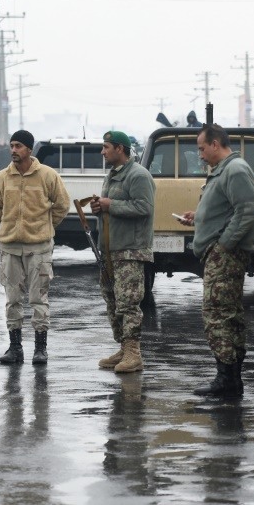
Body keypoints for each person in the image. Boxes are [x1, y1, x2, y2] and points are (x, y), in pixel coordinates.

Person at [178, 124, 254, 399]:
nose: (200, 154)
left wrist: (224, 245)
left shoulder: (234, 170)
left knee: (218, 315)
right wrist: (198, 216)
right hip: (220, 252)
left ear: (215, 144)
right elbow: (225, 209)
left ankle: (227, 379)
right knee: (226, 314)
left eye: (201, 148)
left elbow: (247, 211)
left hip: (225, 255)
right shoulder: (223, 171)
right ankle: (230, 378)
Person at [0, 130, 70, 365]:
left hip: (39, 249)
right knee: (12, 298)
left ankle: (40, 349)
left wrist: (44, 226)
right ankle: (15, 348)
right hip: (10, 248)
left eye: (18, 146)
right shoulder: (2, 178)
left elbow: (62, 204)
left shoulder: (47, 176)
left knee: (38, 298)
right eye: (11, 146)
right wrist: (11, 226)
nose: (13, 150)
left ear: (29, 150)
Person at [92, 130, 155, 374]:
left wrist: (111, 205)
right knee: (112, 300)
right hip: (109, 250)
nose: (102, 151)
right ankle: (122, 346)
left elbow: (144, 207)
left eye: (106, 147)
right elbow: (111, 208)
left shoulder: (138, 175)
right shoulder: (113, 175)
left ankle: (133, 352)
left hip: (130, 250)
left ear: (120, 148)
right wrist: (100, 208)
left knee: (128, 303)